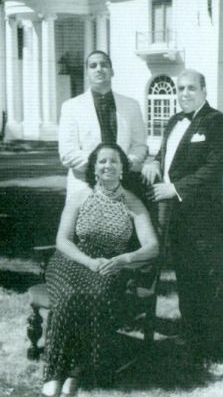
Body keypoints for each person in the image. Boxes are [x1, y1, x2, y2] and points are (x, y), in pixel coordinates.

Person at [41, 143, 159, 397]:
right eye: (102, 161)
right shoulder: (80, 197)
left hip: (109, 264)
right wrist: (87, 261)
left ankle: (76, 371)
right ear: (94, 168)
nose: (108, 166)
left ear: (122, 168)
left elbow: (152, 247)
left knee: (94, 296)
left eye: (114, 161)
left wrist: (124, 259)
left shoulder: (133, 203)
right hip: (71, 260)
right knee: (68, 296)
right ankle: (54, 372)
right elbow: (63, 240)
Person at [142, 69, 223, 368]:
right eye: (180, 89)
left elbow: (212, 170)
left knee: (207, 282)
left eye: (191, 88)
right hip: (176, 219)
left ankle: (213, 349)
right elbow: (166, 155)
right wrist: (153, 161)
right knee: (186, 280)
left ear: (204, 90)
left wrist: (174, 189)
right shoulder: (173, 121)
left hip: (204, 219)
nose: (184, 93)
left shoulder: (218, 122)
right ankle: (193, 339)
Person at [58, 50, 147, 198]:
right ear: (87, 73)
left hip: (124, 187)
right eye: (93, 66)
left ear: (112, 71)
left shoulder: (132, 105)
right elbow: (67, 153)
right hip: (84, 187)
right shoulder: (71, 107)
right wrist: (104, 168)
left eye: (104, 65)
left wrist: (122, 166)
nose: (99, 69)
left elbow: (140, 146)